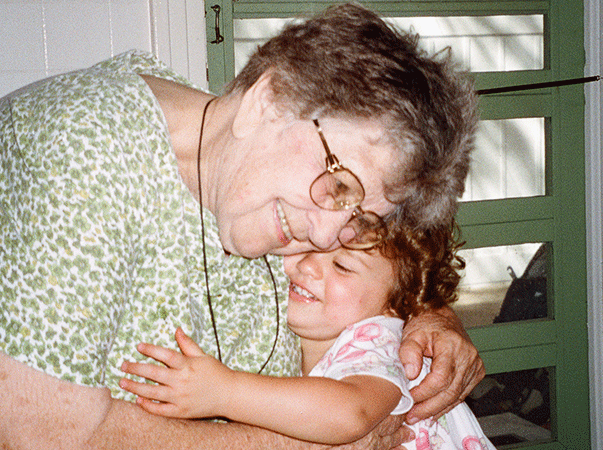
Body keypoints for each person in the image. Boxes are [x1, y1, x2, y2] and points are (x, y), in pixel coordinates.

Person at [0, 3, 482, 449]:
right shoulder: (85, 152)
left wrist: (427, 315)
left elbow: (387, 263)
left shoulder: (238, 167)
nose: (323, 237)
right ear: (269, 99)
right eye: (339, 187)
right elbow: (38, 431)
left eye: (357, 219)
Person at [120, 223, 496, 450]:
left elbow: (352, 412)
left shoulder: (380, 339)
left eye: (343, 266)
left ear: (398, 306)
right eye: (311, 246)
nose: (308, 265)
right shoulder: (332, 328)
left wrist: (224, 391)